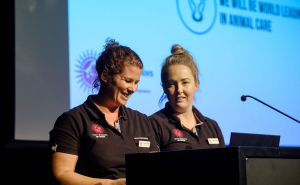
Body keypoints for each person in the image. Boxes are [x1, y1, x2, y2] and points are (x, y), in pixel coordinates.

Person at [49, 39, 157, 185]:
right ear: (105, 75)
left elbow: (155, 171)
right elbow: (62, 174)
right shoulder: (73, 120)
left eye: (136, 82)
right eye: (127, 80)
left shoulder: (141, 121)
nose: (132, 88)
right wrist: (111, 184)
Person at [149, 44, 225, 151]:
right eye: (171, 84)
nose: (179, 90)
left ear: (196, 85)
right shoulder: (154, 124)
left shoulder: (212, 127)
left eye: (185, 82)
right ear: (164, 88)